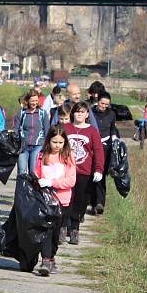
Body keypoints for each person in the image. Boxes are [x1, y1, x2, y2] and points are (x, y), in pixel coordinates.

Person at [33, 126, 76, 276]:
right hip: (45, 201)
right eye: (54, 142)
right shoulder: (41, 156)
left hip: (62, 201)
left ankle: (51, 257)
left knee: (56, 233)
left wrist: (52, 182)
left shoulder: (68, 157)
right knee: (46, 231)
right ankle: (45, 260)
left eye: (60, 142)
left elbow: (71, 180)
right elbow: (36, 174)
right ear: (48, 141)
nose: (57, 145)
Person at [63, 102, 104, 245]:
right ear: (72, 113)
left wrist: (98, 169)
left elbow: (98, 152)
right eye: (77, 111)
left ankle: (74, 229)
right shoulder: (65, 128)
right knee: (65, 200)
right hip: (65, 171)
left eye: (82, 112)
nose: (79, 114)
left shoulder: (92, 131)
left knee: (80, 202)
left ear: (87, 115)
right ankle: (63, 226)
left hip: (84, 172)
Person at [90, 92, 119, 215]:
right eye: (102, 103)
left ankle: (100, 203)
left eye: (107, 104)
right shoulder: (90, 112)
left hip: (106, 147)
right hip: (91, 146)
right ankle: (92, 202)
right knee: (91, 176)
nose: (104, 106)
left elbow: (112, 128)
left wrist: (114, 138)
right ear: (97, 101)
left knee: (101, 175)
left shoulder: (111, 114)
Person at [13, 90, 49, 176]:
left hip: (38, 146)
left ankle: (33, 189)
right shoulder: (21, 113)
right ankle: (21, 189)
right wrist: (16, 142)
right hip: (23, 147)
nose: (35, 103)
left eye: (36, 101)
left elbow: (47, 130)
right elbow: (15, 129)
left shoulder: (42, 113)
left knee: (33, 171)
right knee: (22, 172)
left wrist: (46, 146)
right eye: (32, 101)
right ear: (27, 101)